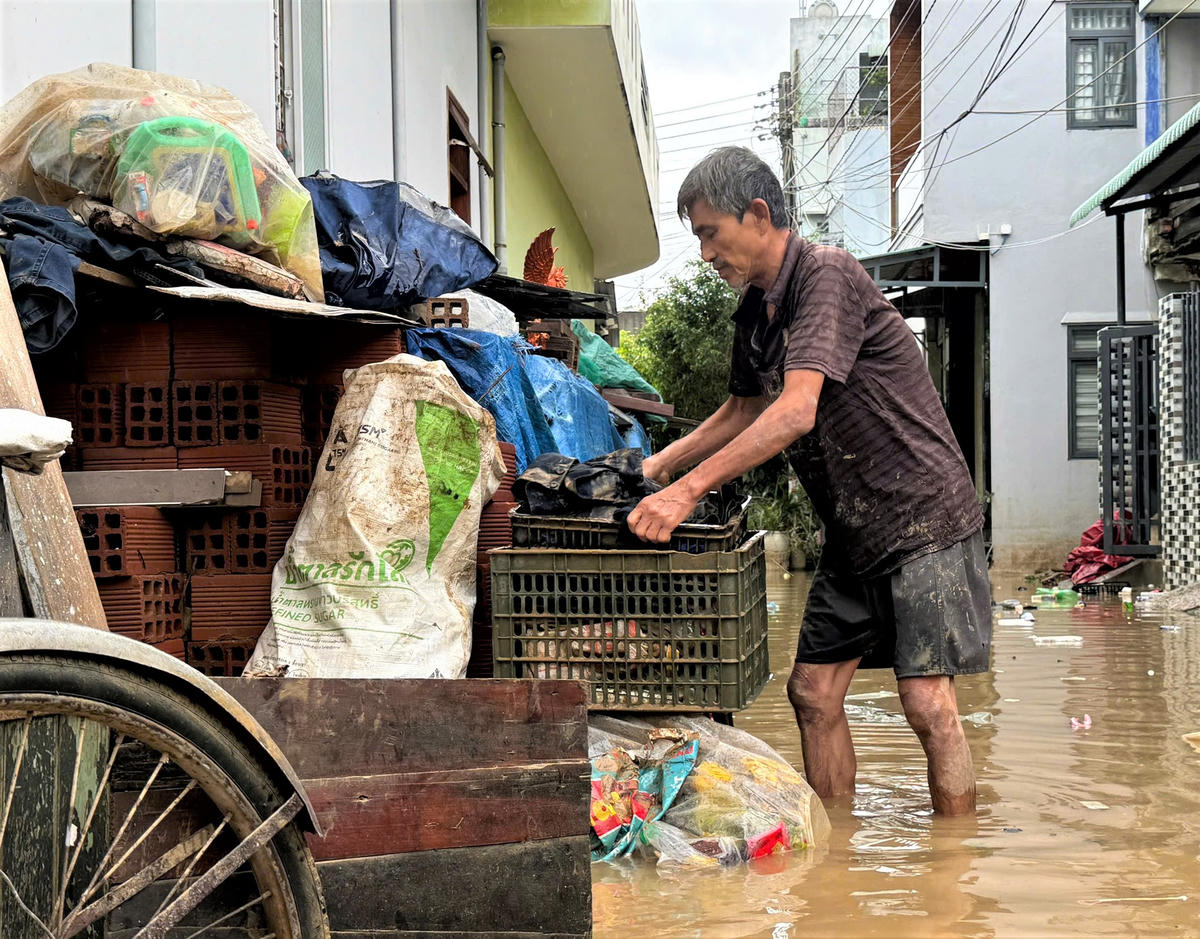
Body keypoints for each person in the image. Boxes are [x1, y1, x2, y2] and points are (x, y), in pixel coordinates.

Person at [626, 146, 990, 816]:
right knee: (813, 693)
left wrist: (688, 490)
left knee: (927, 701)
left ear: (757, 214)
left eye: (710, 232)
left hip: (925, 517)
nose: (705, 253)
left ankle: (957, 866)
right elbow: (740, 410)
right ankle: (836, 855)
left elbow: (795, 408)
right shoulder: (755, 313)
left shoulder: (826, 275)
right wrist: (654, 468)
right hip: (856, 531)